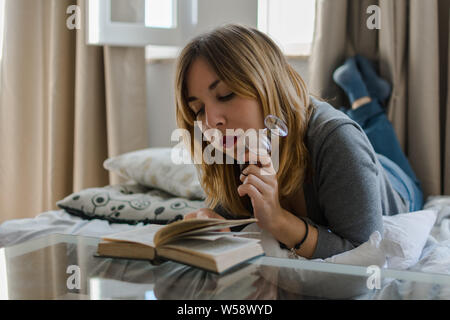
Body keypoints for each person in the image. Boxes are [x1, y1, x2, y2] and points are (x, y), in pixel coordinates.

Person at [174, 24, 419, 260]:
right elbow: (227, 212)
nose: (211, 121)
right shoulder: (232, 148)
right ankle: (360, 103)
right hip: (332, 142)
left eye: (226, 95)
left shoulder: (339, 140)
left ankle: (363, 99)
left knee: (371, 139)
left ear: (267, 83)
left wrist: (278, 220)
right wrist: (211, 217)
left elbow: (363, 256)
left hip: (396, 183)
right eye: (197, 109)